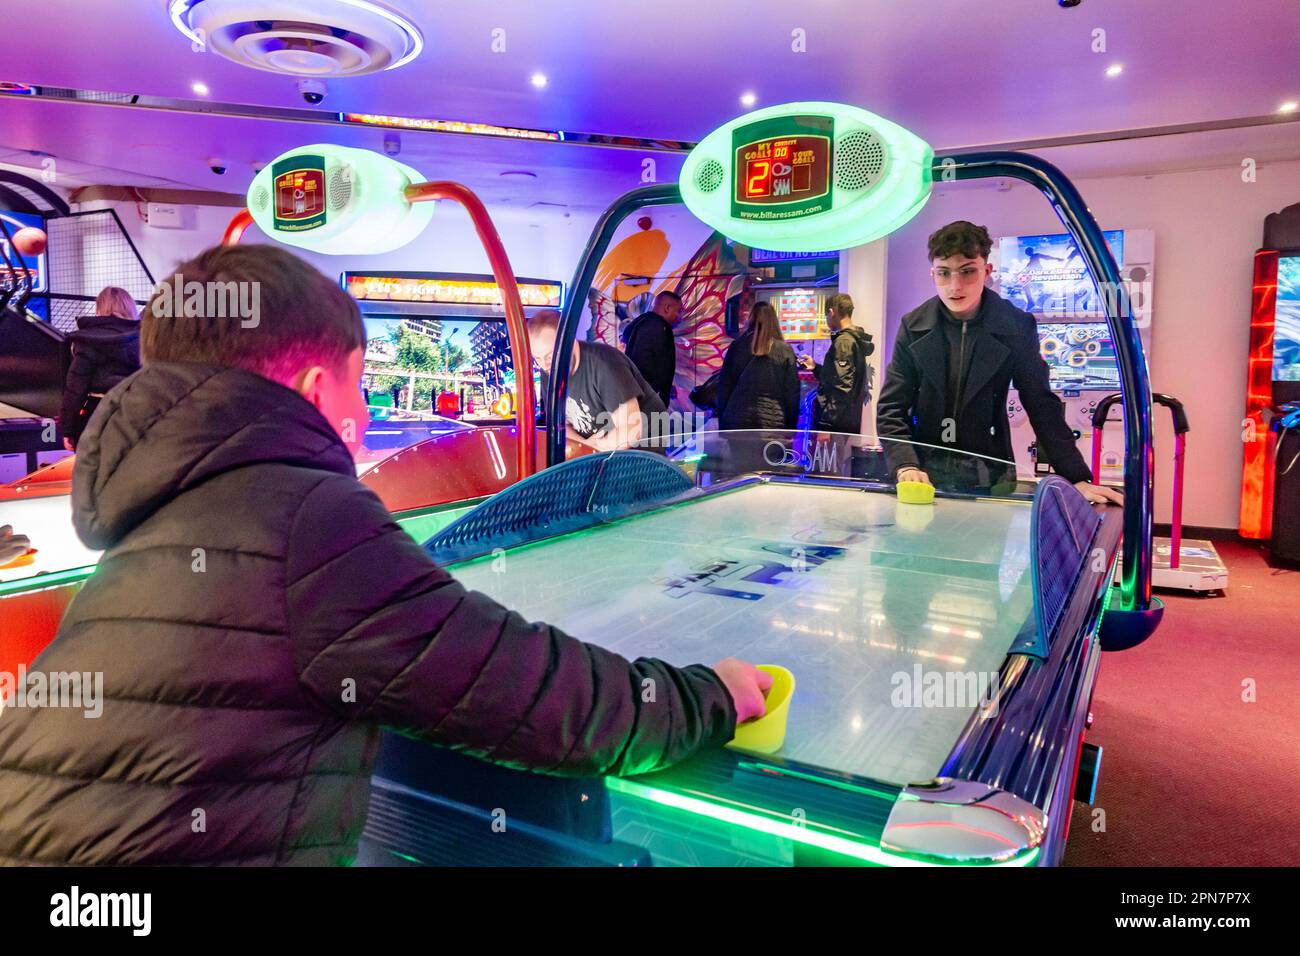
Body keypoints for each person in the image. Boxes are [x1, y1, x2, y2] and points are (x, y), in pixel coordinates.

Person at [0, 245, 770, 865]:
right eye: (356, 389)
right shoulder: (302, 518)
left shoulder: (154, 509)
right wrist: (707, 697)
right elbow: (528, 691)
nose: (364, 421)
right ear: (307, 388)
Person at [876, 220, 1123, 505]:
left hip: (990, 473)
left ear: (987, 271)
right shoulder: (913, 325)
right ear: (933, 274)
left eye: (967, 271)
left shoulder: (1016, 325)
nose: (955, 286)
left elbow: (1041, 403)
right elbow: (891, 407)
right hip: (922, 474)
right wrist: (905, 464)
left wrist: (1076, 477)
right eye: (944, 273)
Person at [528, 309, 668, 452]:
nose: (544, 365)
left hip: (643, 448)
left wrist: (591, 448)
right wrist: (585, 445)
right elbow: (560, 426)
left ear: (569, 341)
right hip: (600, 448)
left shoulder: (605, 364)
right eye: (537, 359)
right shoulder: (549, 370)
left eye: (550, 356)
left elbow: (631, 430)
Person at [59, 286, 142, 450]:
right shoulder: (144, 337)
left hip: (96, 414)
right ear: (130, 307)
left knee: (95, 470)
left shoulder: (86, 339)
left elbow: (75, 389)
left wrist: (68, 429)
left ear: (99, 308)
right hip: (135, 411)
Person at [716, 301, 800, 432]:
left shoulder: (736, 347)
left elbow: (724, 388)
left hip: (737, 420)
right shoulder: (784, 350)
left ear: (750, 319)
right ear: (774, 321)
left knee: (741, 453)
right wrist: (791, 426)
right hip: (772, 422)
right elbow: (792, 393)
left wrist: (723, 423)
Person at [802, 292, 874, 434]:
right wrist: (815, 368)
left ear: (831, 312)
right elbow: (839, 378)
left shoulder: (844, 342)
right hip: (845, 423)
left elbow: (842, 387)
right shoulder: (852, 340)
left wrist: (826, 424)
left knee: (833, 457)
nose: (826, 319)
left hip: (836, 427)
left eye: (826, 315)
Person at [622, 290, 682, 408]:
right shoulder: (656, 327)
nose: (680, 316)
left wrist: (667, 387)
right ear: (667, 308)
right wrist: (658, 392)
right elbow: (644, 364)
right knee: (652, 427)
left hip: (642, 399)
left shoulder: (646, 323)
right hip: (647, 404)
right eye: (678, 311)